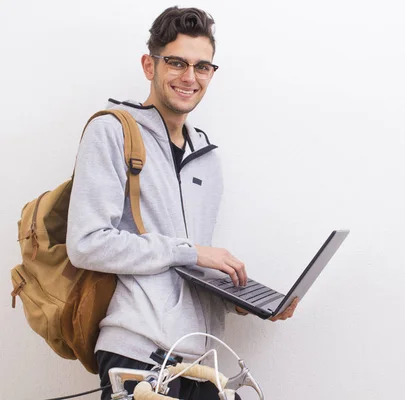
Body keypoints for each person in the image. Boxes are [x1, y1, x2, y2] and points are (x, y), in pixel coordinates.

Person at [66, 6, 297, 399]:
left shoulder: (207, 155)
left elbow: (183, 268)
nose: (190, 77)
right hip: (139, 354)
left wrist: (240, 299)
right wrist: (192, 251)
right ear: (149, 65)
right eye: (176, 62)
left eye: (202, 66)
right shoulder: (112, 131)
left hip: (200, 362)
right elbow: (86, 243)